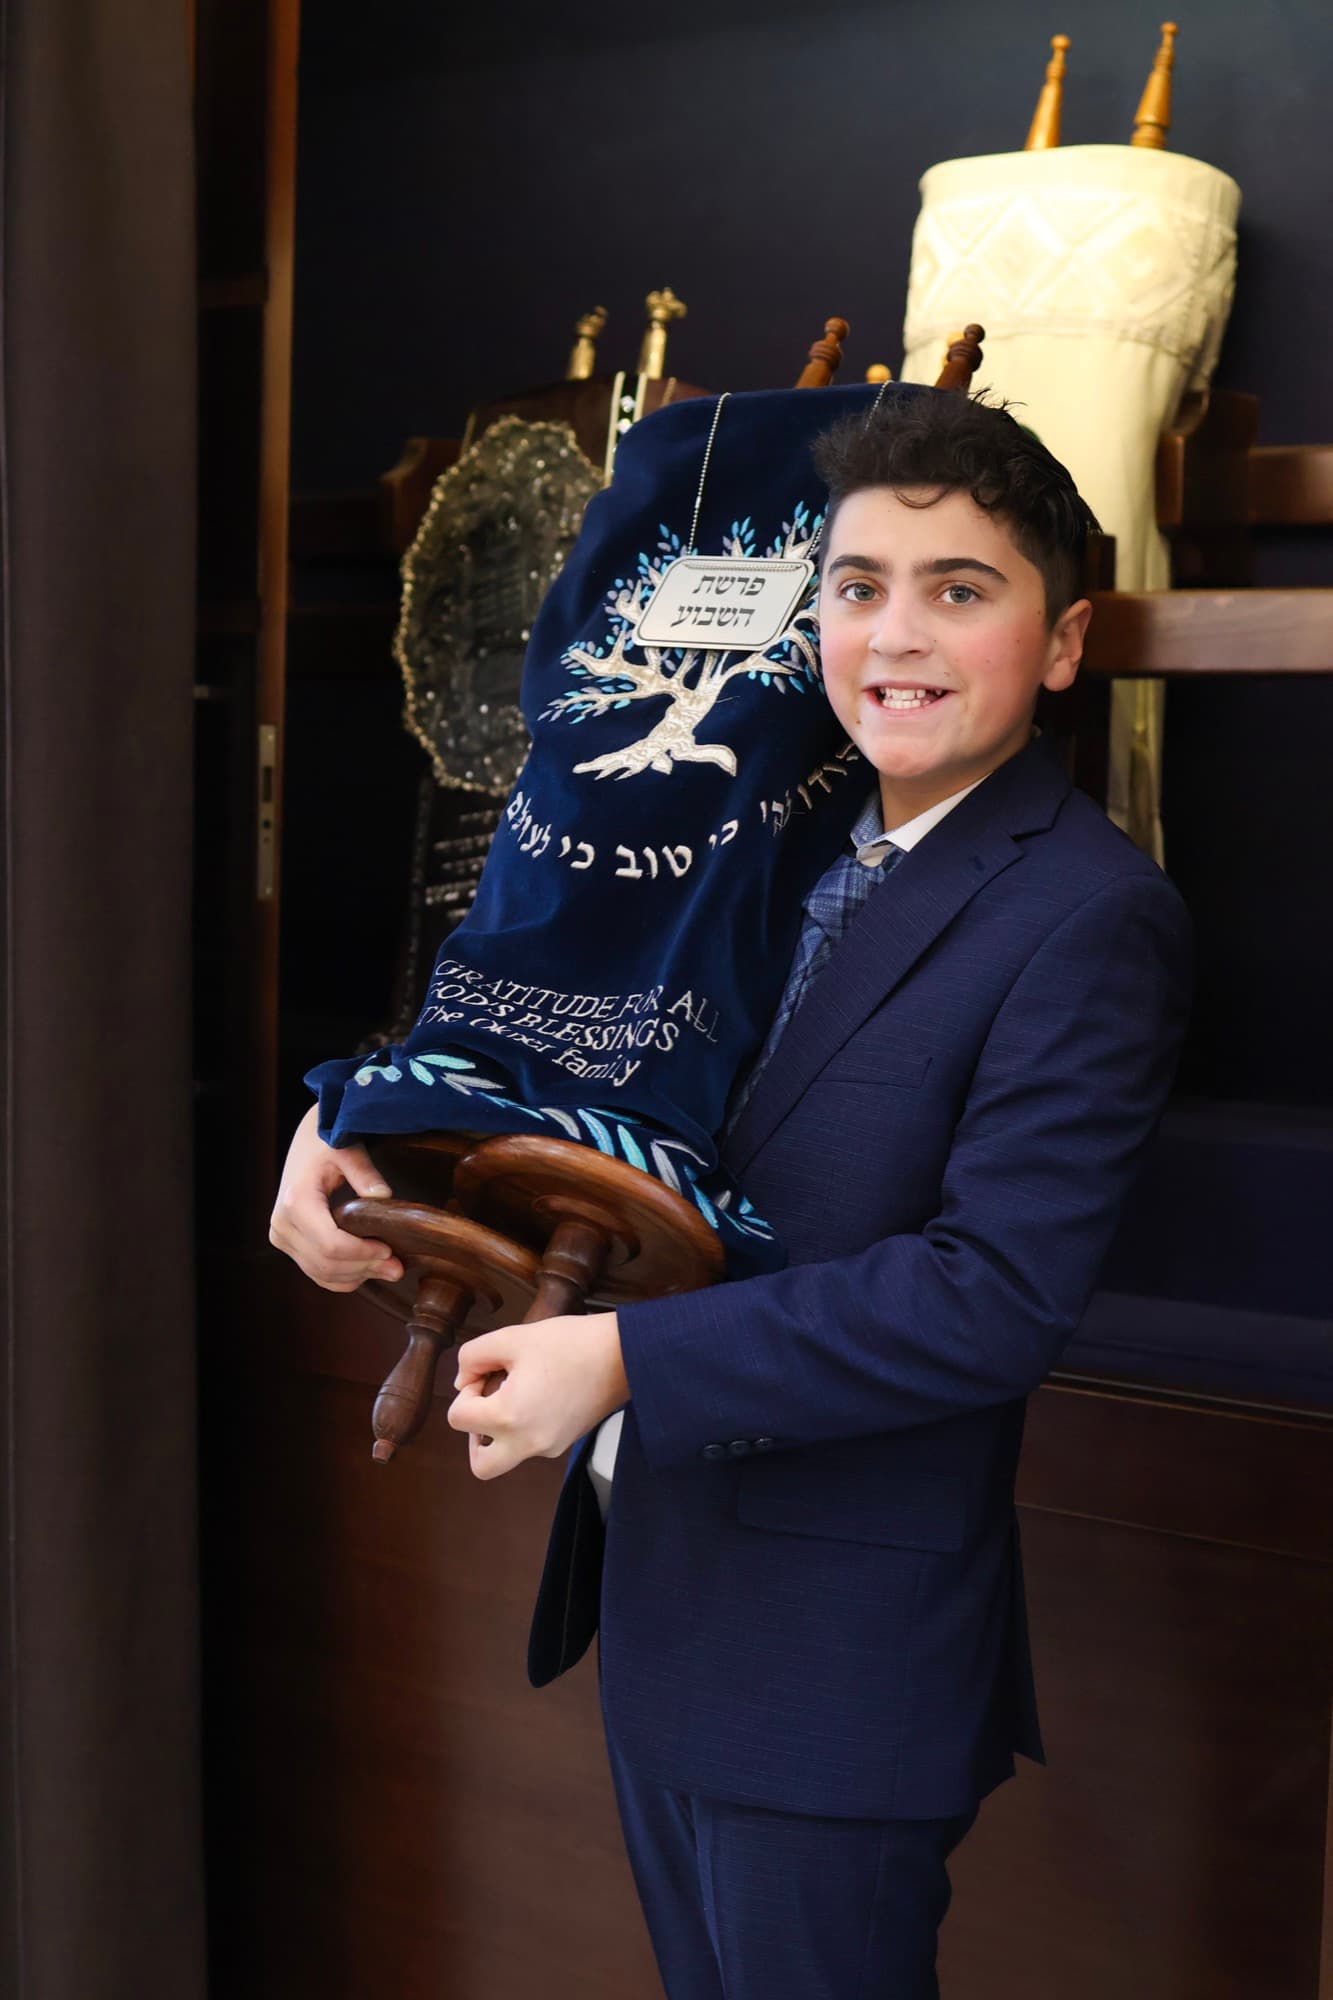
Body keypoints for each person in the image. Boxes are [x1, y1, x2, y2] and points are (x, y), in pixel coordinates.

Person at [270, 390, 1193, 1998]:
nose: (891, 635)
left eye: (957, 590)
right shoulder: (765, 845)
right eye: (854, 587)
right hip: (667, 1603)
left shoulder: (1091, 915)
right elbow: (555, 1037)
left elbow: (991, 1296)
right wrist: (343, 1115)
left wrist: (624, 1363)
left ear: (1062, 641)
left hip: (835, 1667)